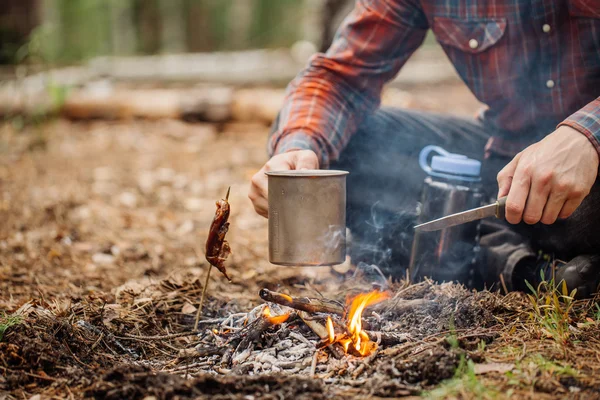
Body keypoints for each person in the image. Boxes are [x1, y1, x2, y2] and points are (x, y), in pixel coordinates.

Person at [249, 0, 600, 297]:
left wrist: (586, 134)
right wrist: (298, 147)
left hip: (593, 174)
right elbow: (340, 78)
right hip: (498, 158)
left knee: (584, 212)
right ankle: (526, 266)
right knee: (340, 145)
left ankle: (492, 257)